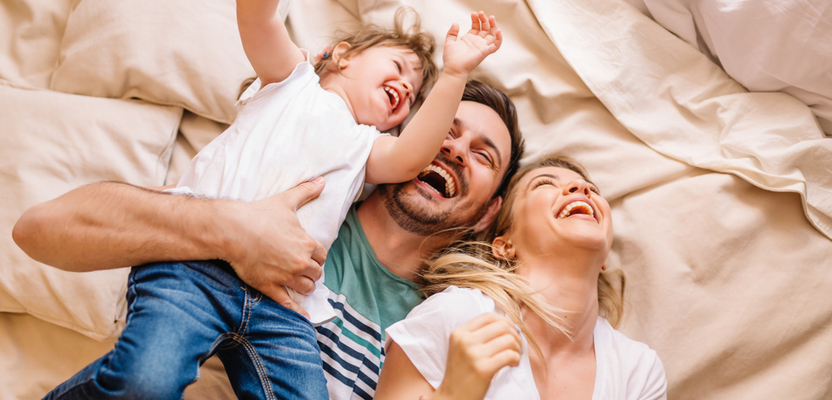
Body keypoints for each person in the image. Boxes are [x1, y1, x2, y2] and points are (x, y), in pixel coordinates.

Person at [33, 1, 505, 398]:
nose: (405, 86)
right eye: (397, 68)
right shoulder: (291, 82)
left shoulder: (368, 150)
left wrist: (455, 74)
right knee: (147, 380)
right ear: (342, 56)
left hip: (284, 306)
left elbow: (412, 155)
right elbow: (258, 21)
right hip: (196, 268)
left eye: (414, 93)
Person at [374, 154, 668, 400]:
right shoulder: (455, 317)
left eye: (591, 189)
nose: (581, 188)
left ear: (604, 258)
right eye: (545, 184)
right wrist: (452, 395)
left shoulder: (638, 373)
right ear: (504, 245)